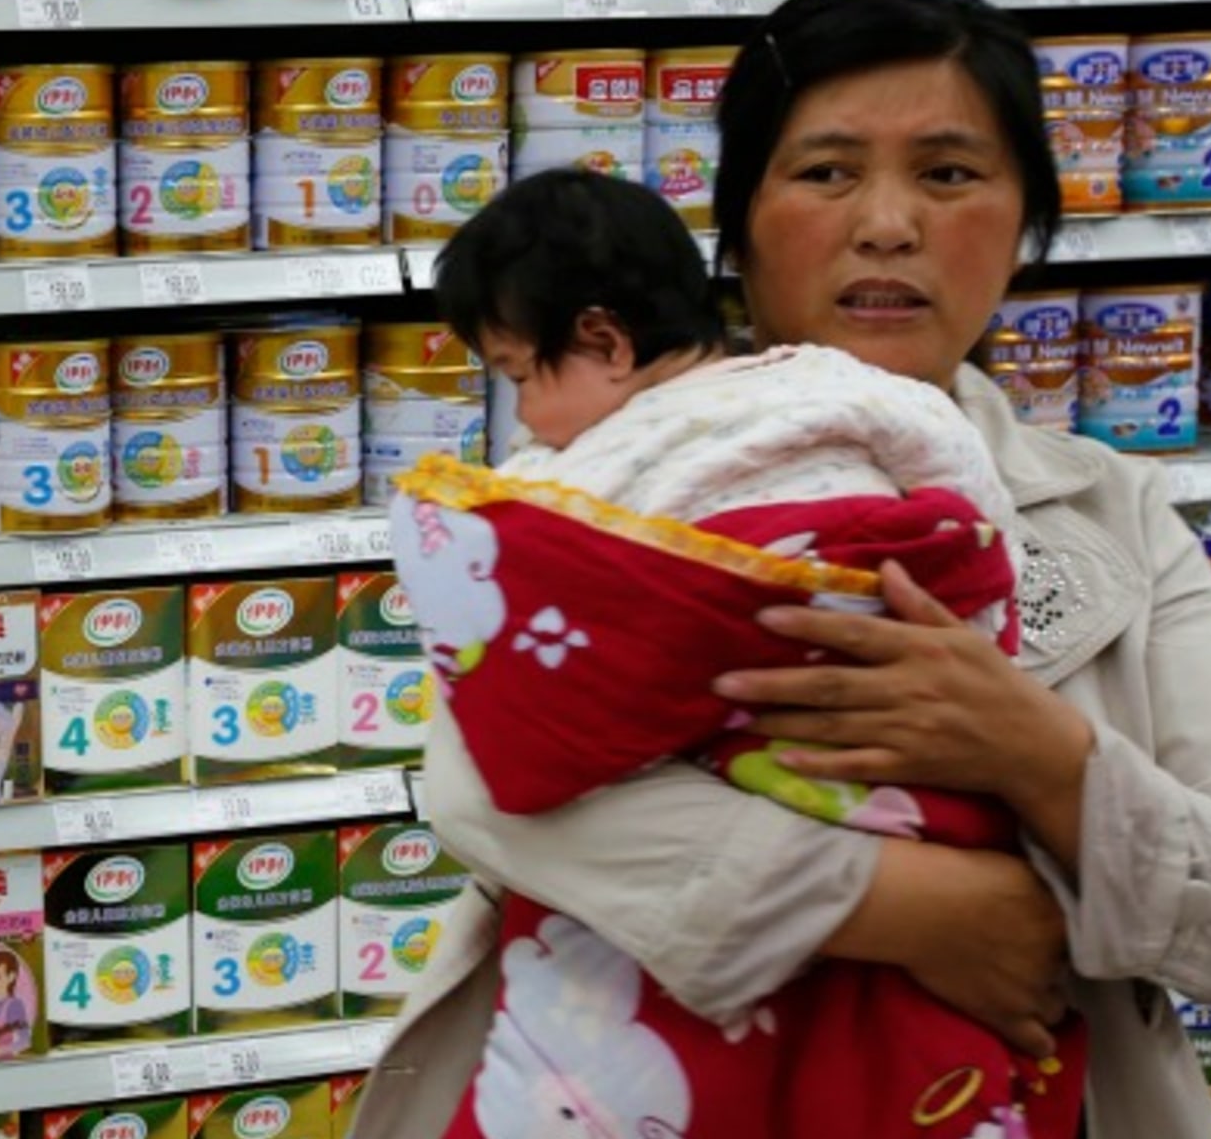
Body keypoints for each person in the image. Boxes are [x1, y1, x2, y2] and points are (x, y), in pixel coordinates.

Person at [350, 0, 1211, 1139]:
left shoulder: (1117, 516)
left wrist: (1043, 755)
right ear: (740, 222)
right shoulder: (591, 484)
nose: (887, 223)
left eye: (951, 172)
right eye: (825, 171)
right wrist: (909, 904)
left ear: (1024, 226)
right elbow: (487, 783)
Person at [388, 169, 1076, 1138]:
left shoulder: (584, 473)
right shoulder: (851, 391)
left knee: (608, 1041)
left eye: (516, 377)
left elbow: (515, 647)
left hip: (710, 820)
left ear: (603, 342)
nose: (523, 420)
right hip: (912, 789)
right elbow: (974, 525)